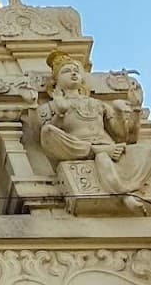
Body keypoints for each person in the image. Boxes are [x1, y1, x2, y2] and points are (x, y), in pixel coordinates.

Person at [39, 57, 151, 212]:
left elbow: (122, 135)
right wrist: (60, 112)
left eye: (76, 71)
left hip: (109, 146)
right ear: (55, 82)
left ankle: (126, 191)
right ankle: (123, 193)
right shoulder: (51, 106)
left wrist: (133, 108)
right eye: (66, 71)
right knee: (48, 131)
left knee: (146, 149)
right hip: (78, 147)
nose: (73, 73)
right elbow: (47, 135)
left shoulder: (97, 103)